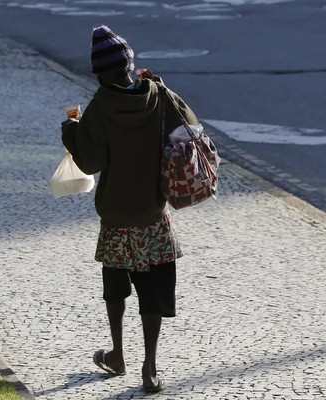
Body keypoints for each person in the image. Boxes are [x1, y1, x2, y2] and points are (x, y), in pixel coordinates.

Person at [60, 25, 199, 393]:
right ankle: (149, 368)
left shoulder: (100, 107)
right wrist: (164, 86)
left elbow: (90, 163)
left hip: (117, 218)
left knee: (116, 288)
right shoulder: (157, 95)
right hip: (153, 215)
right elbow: (191, 127)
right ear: (130, 66)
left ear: (101, 74)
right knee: (153, 291)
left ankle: (118, 353)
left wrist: (70, 130)